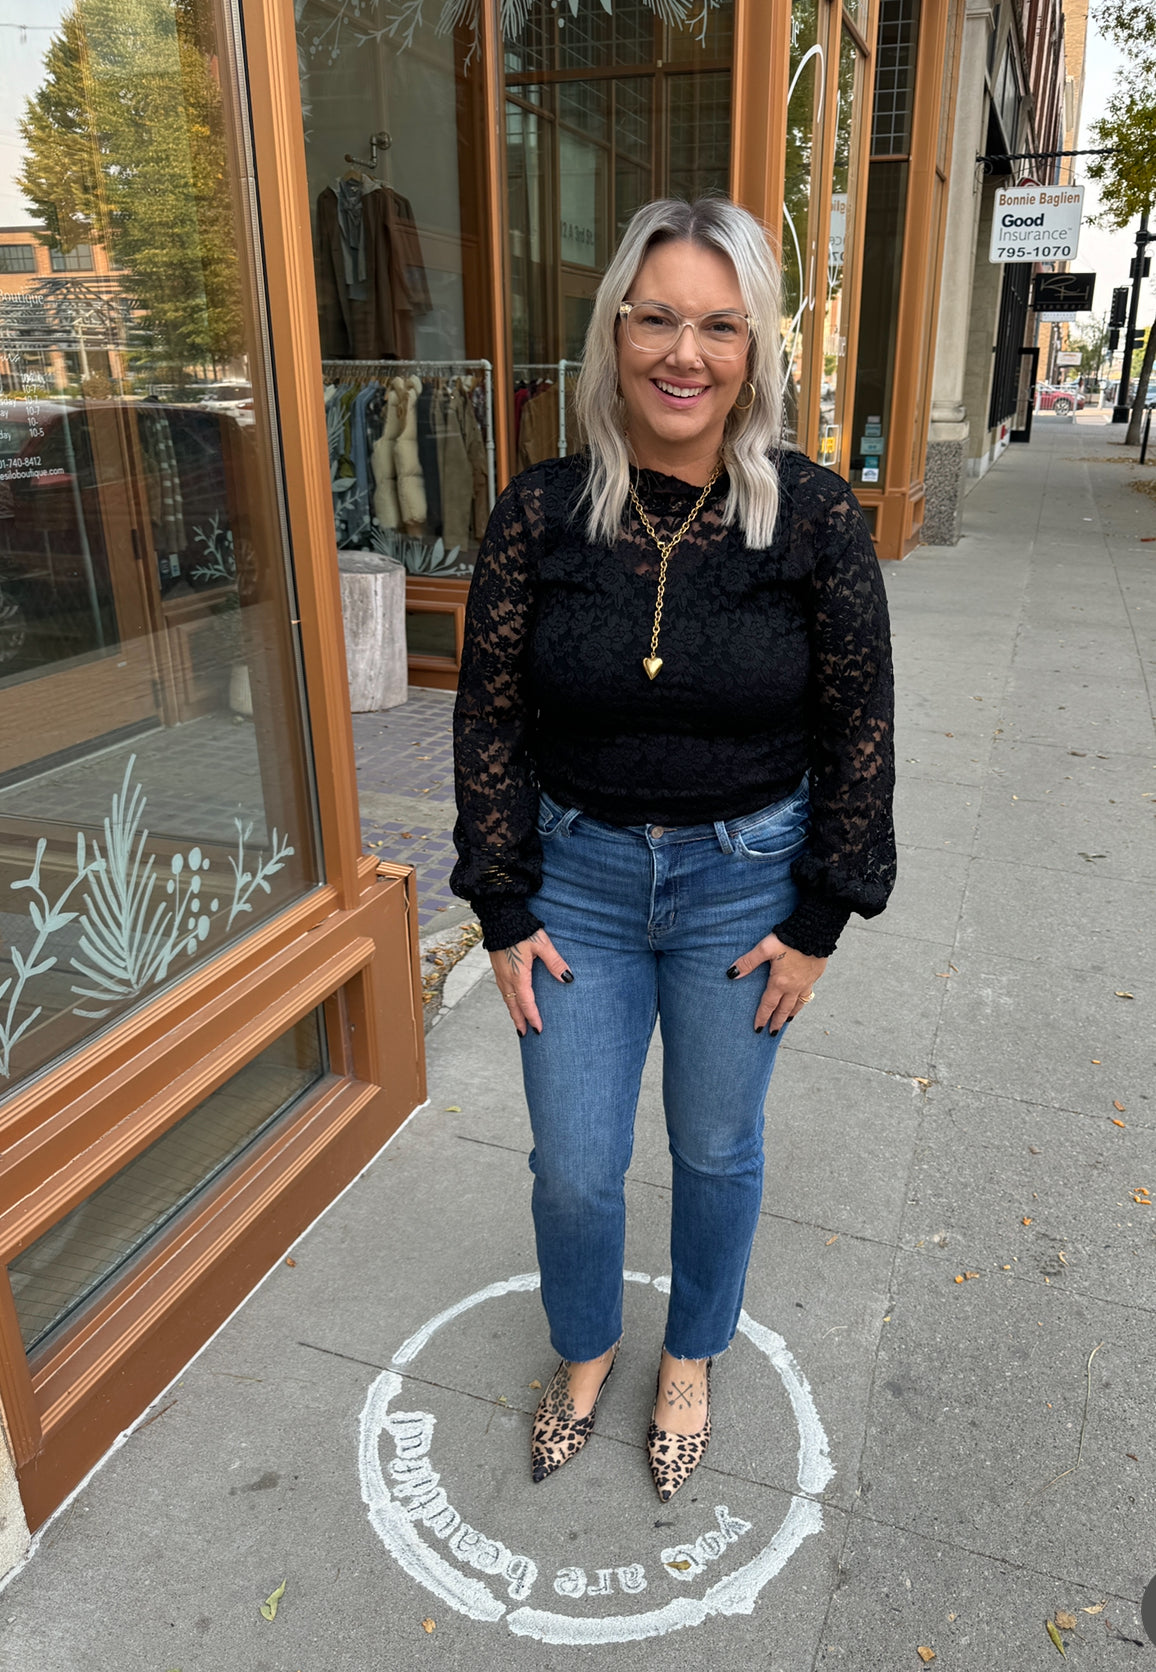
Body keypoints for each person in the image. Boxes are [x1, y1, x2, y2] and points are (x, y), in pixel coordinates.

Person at [450, 196, 895, 1502]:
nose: (684, 354)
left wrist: (819, 919)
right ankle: (587, 1346)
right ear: (615, 334)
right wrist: (501, 904)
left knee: (714, 1149)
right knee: (575, 1169)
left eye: (719, 326)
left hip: (744, 887)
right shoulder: (541, 513)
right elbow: (488, 714)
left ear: (754, 350)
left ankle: (691, 1351)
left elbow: (860, 724)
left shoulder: (813, 518)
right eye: (656, 320)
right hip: (576, 884)